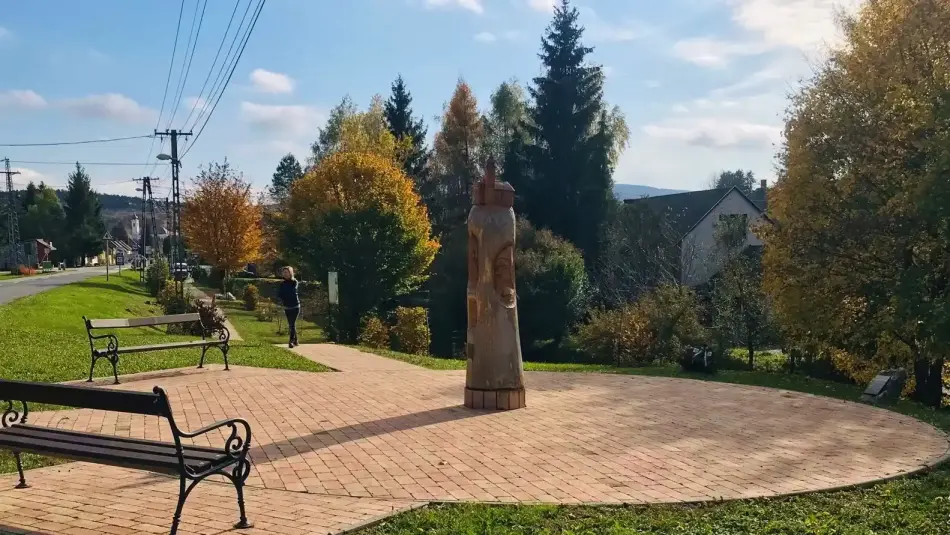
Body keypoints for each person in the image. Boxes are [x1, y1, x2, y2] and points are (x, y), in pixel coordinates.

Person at [277, 266, 300, 348]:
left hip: (295, 306)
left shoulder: (295, 282)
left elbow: (293, 291)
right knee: (291, 324)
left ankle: (291, 341)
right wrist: (280, 299)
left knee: (292, 324)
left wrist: (285, 295)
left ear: (290, 273)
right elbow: (280, 294)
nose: (285, 274)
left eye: (287, 272)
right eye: (284, 273)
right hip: (287, 306)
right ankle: (296, 340)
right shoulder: (282, 284)